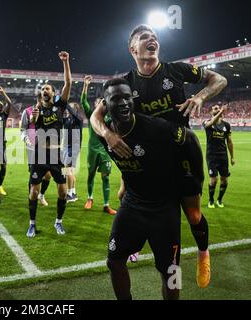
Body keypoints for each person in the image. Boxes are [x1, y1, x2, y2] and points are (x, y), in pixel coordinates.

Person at [91, 25, 228, 288]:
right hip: (146, 160)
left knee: (194, 216)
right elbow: (97, 116)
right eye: (145, 38)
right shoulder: (125, 84)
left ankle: (203, 253)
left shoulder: (177, 70)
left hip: (182, 156)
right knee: (125, 198)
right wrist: (108, 135)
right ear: (133, 49)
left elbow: (219, 80)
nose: (152, 40)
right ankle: (132, 245)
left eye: (155, 37)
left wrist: (199, 96)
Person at [100, 78, 196, 300]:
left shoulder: (155, 127)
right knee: (114, 261)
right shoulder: (102, 131)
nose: (124, 103)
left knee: (172, 271)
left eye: (127, 97)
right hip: (133, 205)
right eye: (116, 99)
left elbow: (189, 141)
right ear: (105, 104)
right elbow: (95, 119)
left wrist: (192, 184)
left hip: (164, 209)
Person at [27, 51, 72, 238]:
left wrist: (66, 62)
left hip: (55, 156)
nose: (45, 90)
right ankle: (32, 224)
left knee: (63, 192)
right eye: (42, 89)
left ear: (53, 93)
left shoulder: (59, 107)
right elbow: (32, 122)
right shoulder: (36, 111)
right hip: (39, 155)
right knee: (33, 192)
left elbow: (68, 83)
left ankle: (58, 222)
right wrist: (33, 118)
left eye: (48, 89)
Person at [80, 76, 116, 214]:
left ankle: (106, 205)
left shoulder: (110, 117)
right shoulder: (91, 115)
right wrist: (85, 85)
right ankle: (90, 198)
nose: (100, 104)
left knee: (105, 177)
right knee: (91, 175)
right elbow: (83, 101)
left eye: (102, 102)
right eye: (98, 102)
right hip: (92, 150)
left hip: (105, 151)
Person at [20, 95, 51, 207]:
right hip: (32, 147)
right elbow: (23, 129)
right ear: (38, 100)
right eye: (40, 99)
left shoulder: (50, 112)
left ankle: (41, 195)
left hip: (47, 147)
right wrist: (26, 139)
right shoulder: (27, 111)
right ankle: (31, 196)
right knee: (34, 174)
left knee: (48, 174)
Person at [203, 104, 235, 208]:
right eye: (215, 108)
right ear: (211, 112)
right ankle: (211, 200)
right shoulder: (207, 122)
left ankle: (219, 200)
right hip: (211, 156)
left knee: (224, 179)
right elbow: (211, 123)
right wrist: (221, 111)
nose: (217, 109)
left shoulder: (226, 125)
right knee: (214, 179)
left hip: (223, 156)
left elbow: (229, 142)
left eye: (218, 108)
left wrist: (232, 157)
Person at [62, 102, 83, 202]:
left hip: (73, 147)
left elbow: (72, 112)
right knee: (69, 170)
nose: (68, 109)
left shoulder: (78, 119)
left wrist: (65, 103)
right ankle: (73, 192)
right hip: (67, 147)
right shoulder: (67, 120)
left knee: (67, 169)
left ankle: (69, 194)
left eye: (70, 107)